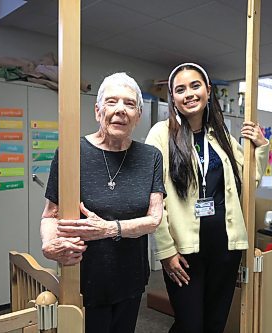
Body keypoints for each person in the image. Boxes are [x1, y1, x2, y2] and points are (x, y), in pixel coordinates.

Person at [145, 63, 269, 333]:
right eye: (180, 89)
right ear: (172, 97)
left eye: (195, 85)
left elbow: (250, 182)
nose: (188, 94)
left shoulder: (221, 134)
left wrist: (261, 147)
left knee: (215, 324)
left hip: (225, 249)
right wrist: (165, 251)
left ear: (208, 91)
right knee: (190, 325)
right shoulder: (161, 134)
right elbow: (154, 198)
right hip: (185, 254)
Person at [40, 72, 165, 333]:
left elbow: (154, 219)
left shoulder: (150, 157)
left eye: (130, 104)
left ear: (138, 115)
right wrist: (49, 245)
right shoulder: (70, 153)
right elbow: (50, 215)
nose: (121, 110)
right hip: (83, 276)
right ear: (98, 111)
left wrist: (108, 229)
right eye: (112, 102)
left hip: (130, 277)